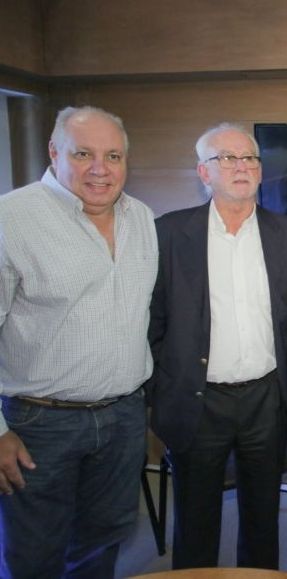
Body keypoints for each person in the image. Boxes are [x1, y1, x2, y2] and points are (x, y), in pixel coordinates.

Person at [0, 106, 157, 577]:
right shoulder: (11, 219)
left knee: (102, 543)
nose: (99, 168)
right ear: (54, 152)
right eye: (83, 153)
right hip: (39, 425)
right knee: (35, 553)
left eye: (113, 155)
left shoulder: (143, 218)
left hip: (125, 418)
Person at [147, 123, 287, 569]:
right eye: (227, 158)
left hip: (265, 399)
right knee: (196, 520)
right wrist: (165, 385)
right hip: (198, 400)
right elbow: (153, 321)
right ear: (203, 172)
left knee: (262, 518)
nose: (241, 166)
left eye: (250, 158)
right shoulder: (171, 234)